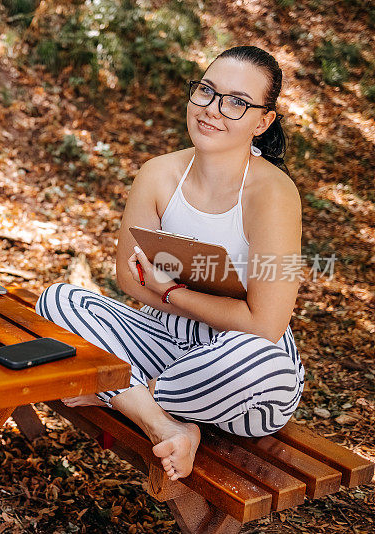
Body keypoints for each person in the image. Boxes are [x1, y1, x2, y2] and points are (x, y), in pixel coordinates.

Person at [36, 46, 304, 482]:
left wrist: (170, 292)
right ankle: (162, 420)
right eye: (206, 91)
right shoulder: (158, 173)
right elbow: (128, 276)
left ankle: (119, 393)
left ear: (262, 122)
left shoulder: (276, 194)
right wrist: (178, 300)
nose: (213, 110)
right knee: (58, 302)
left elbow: (268, 325)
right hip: (161, 337)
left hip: (238, 368)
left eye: (237, 101)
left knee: (263, 363)